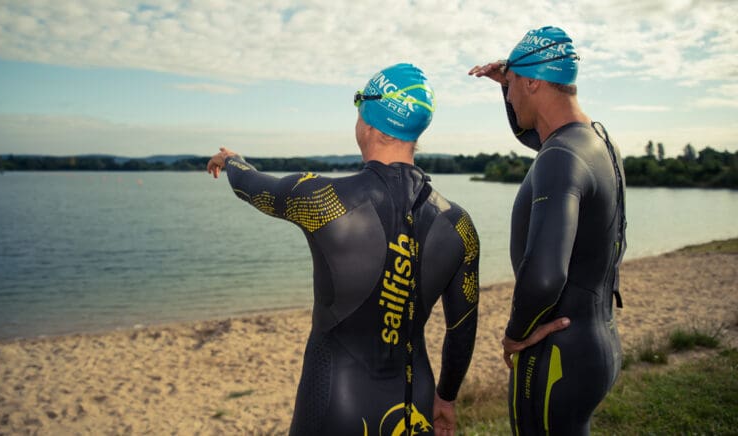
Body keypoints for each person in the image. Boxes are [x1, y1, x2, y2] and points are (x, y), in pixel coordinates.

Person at [207, 63, 480, 435]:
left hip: (336, 402)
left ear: (368, 120)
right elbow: (462, 328)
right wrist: (445, 399)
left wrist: (231, 160)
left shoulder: (324, 200)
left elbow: (254, 187)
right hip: (415, 403)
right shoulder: (459, 225)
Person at [468, 26, 627, 435]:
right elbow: (535, 133)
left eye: (514, 86)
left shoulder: (560, 157)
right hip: (597, 340)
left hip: (555, 354)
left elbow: (544, 275)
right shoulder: (596, 142)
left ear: (534, 81)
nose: (509, 95)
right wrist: (507, 80)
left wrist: (516, 335)